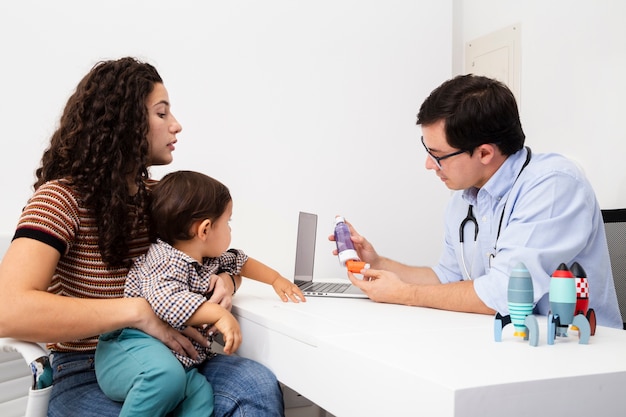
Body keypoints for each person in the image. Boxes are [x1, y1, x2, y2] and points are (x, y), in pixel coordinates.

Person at [0, 57, 287, 416]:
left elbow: (215, 256)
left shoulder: (161, 200)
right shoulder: (60, 199)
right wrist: (136, 312)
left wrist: (227, 281)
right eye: (162, 113)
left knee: (254, 386)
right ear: (125, 123)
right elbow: (6, 310)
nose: (177, 125)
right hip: (86, 370)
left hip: (178, 358)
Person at [333, 74, 622, 329]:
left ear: (484, 153)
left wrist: (404, 294)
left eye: (438, 155)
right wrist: (377, 261)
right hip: (503, 345)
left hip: (576, 357)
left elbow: (506, 293)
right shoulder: (464, 200)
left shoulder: (554, 184)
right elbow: (446, 278)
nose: (429, 165)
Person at [95, 170, 304, 417]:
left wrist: (275, 279)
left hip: (177, 360)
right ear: (204, 230)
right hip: (129, 346)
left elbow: (241, 261)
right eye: (228, 222)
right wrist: (218, 314)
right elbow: (168, 302)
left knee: (201, 396)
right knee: (165, 378)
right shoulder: (163, 260)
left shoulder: (207, 260)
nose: (229, 229)